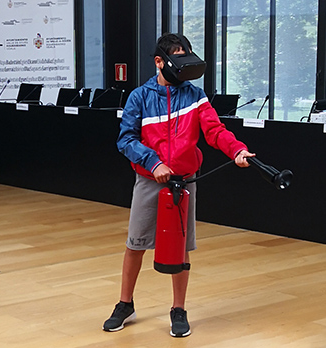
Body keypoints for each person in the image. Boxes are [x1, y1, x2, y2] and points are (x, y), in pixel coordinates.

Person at [104, 33, 256, 338]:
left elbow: (214, 130)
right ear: (159, 62)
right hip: (150, 181)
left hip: (185, 182)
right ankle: (125, 303)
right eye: (176, 59)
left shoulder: (195, 95)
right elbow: (126, 140)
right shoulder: (140, 97)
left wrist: (237, 149)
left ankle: (178, 309)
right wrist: (153, 162)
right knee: (135, 245)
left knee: (181, 249)